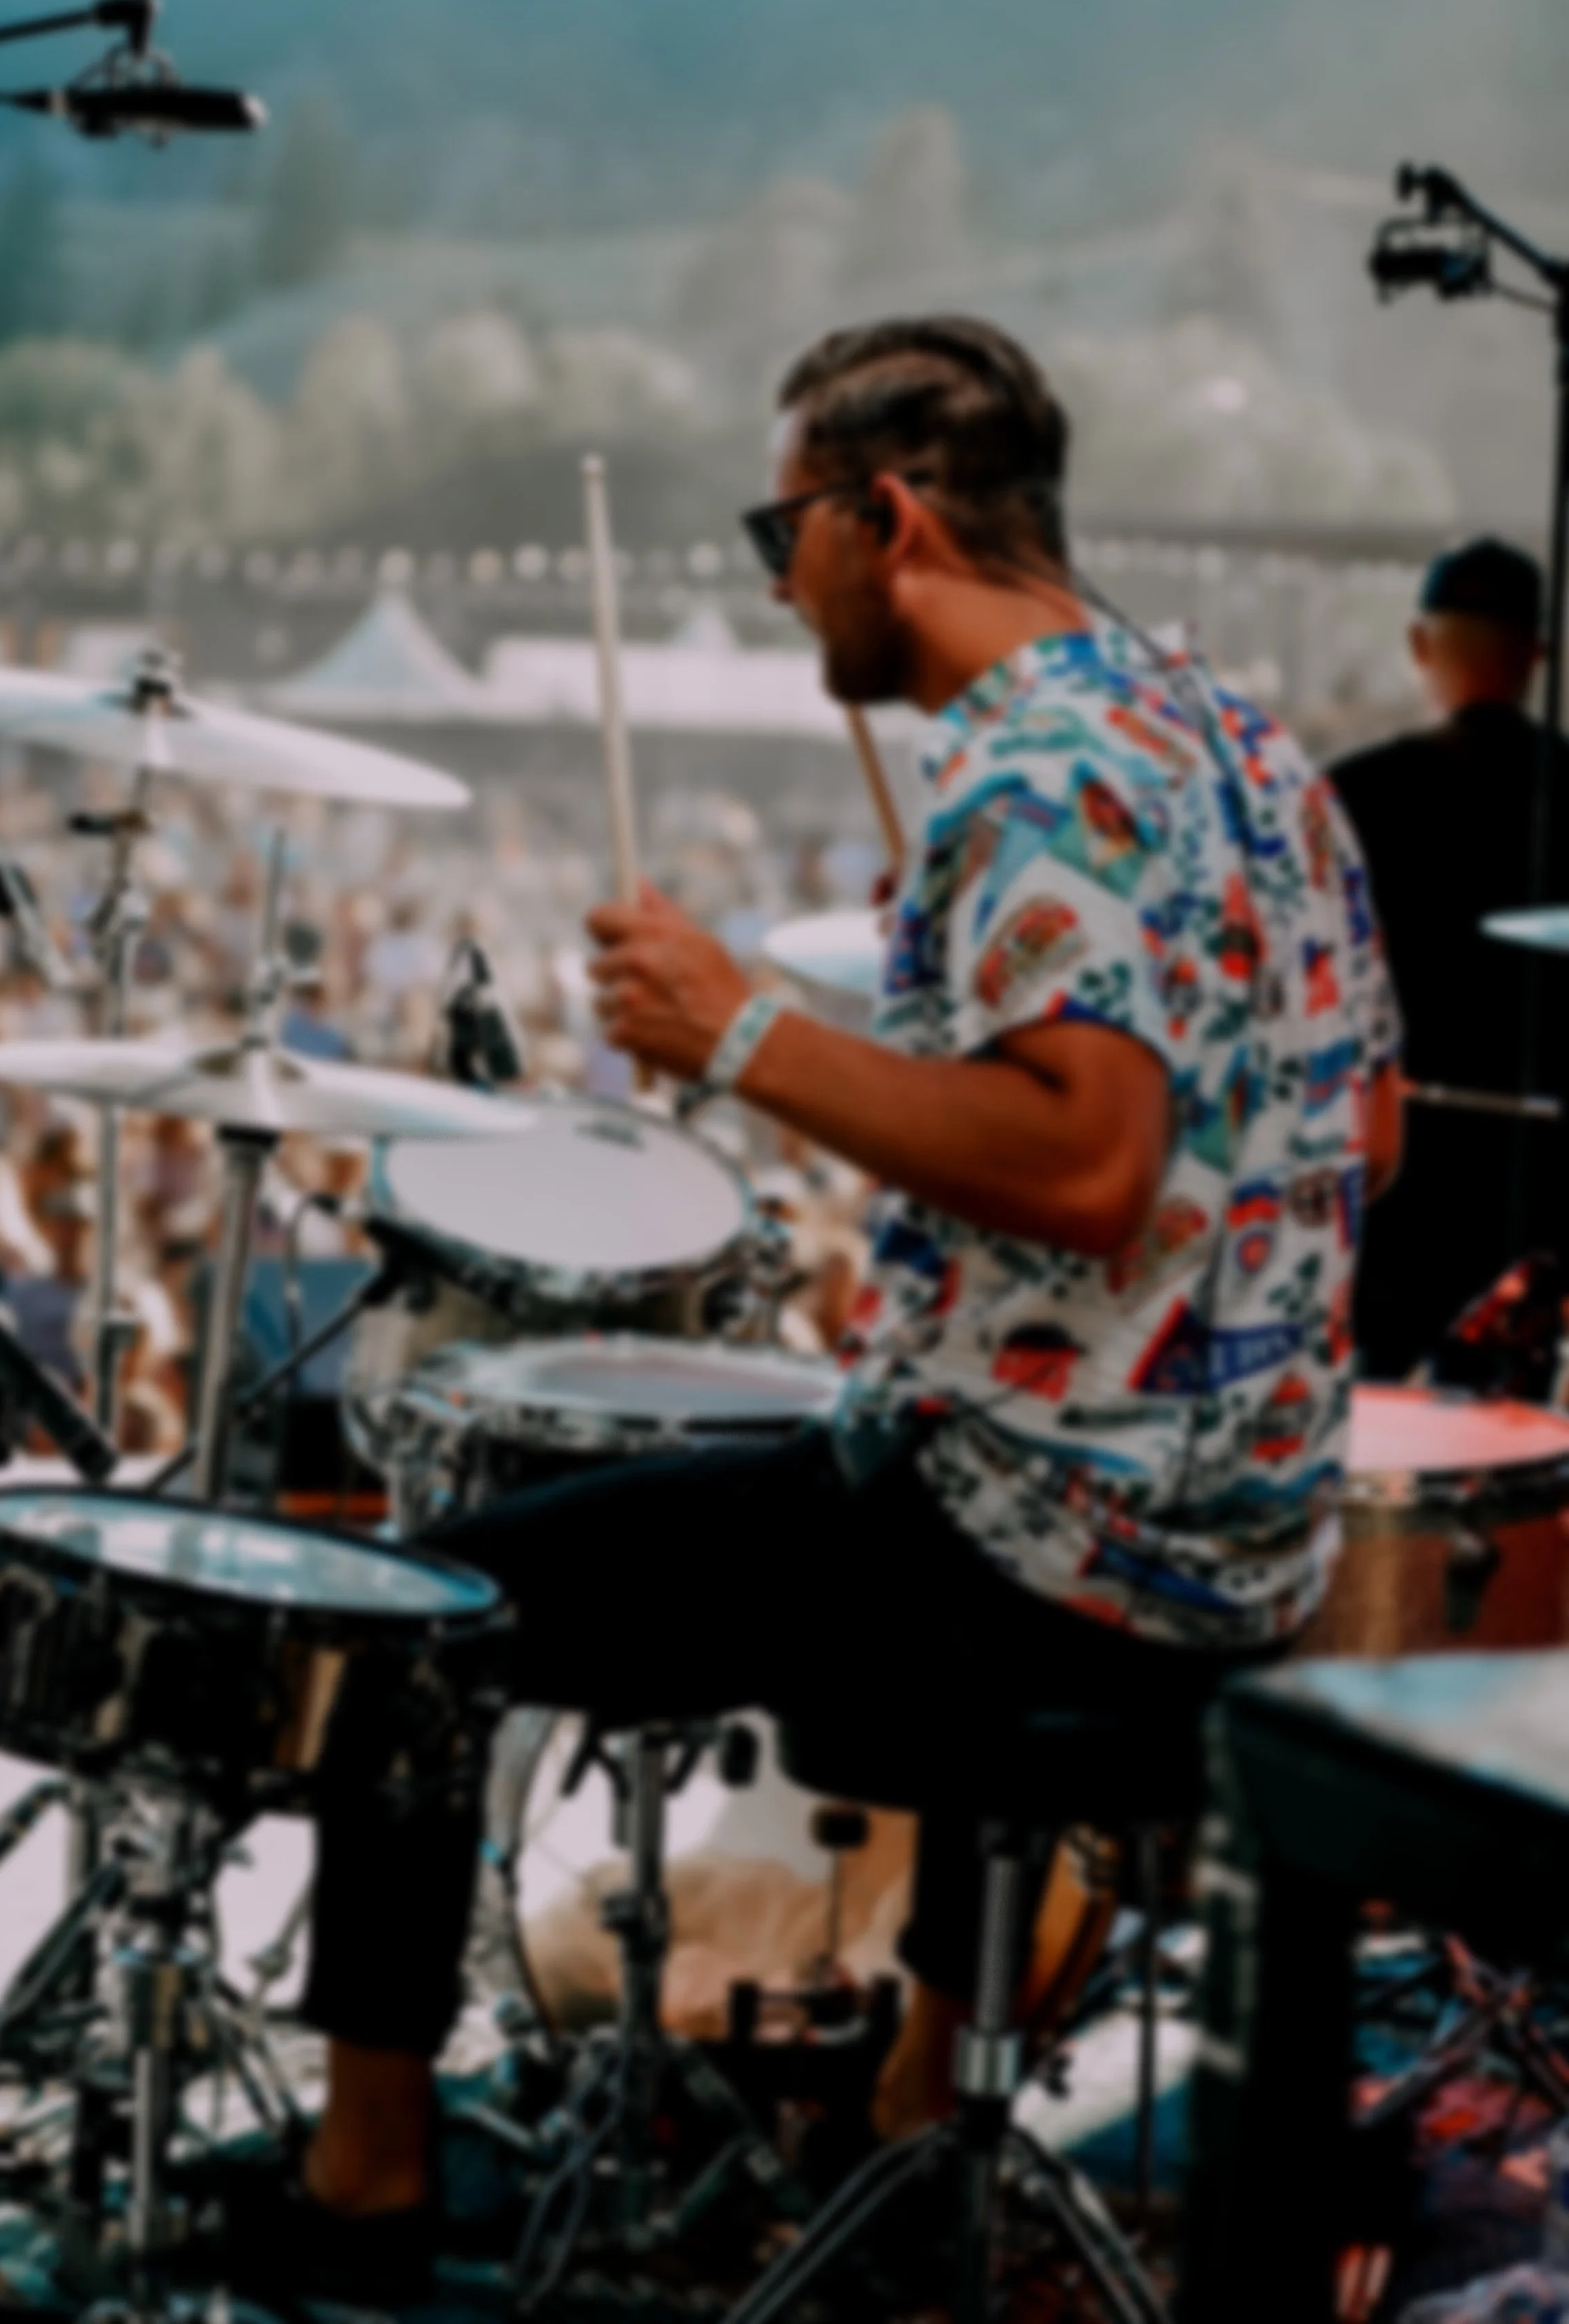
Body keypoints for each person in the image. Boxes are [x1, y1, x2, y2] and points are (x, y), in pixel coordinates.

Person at [226, 316, 1402, 2305]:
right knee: (855, 1460)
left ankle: (364, 2190)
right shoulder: (1239, 740)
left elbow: (1088, 1167)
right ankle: (916, 2101)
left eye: (786, 535)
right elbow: (1364, 1127)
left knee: (415, 1622)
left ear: (892, 516)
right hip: (1246, 1547)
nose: (779, 585)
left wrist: (741, 1027)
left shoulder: (1033, 767)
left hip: (1036, 1545)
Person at [1329, 537, 1568, 1376]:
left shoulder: (1355, 792)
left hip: (1402, 1170)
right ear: (1538, 655)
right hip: (1544, 1175)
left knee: (1385, 1396)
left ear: (1419, 645)